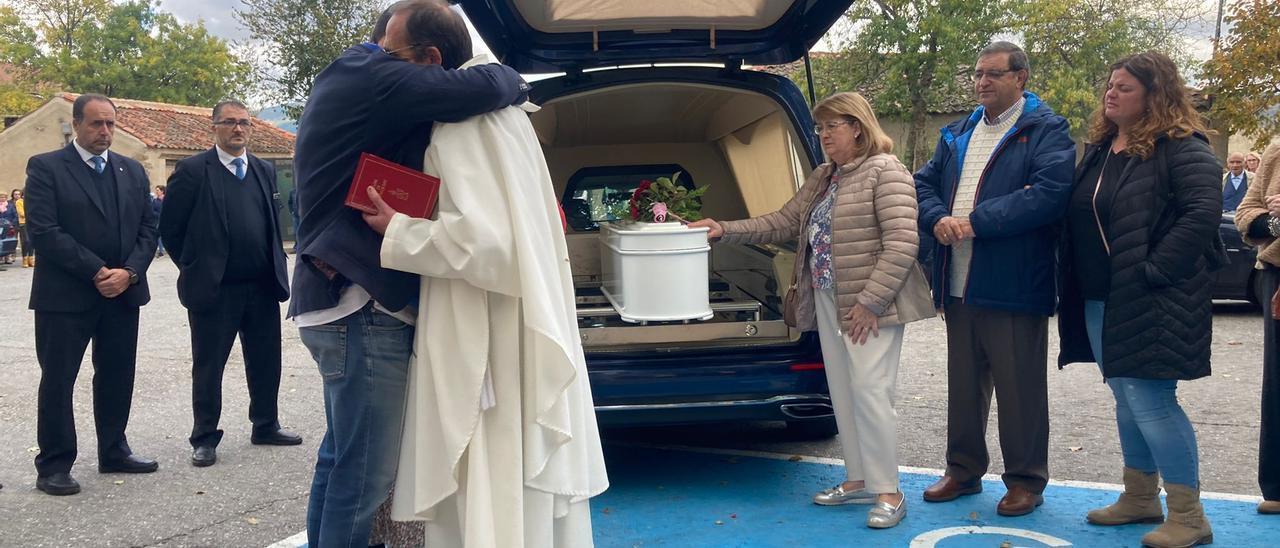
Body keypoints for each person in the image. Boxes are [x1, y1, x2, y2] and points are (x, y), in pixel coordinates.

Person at [289, 1, 529, 545]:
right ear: (430, 59)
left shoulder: (361, 77)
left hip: (337, 302)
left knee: (341, 459)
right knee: (366, 475)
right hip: (361, 306)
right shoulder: (368, 72)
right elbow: (482, 88)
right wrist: (514, 76)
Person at [361, 53, 608, 547]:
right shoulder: (514, 121)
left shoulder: (463, 125)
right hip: (513, 318)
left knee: (491, 465)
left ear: (430, 59)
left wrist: (401, 231)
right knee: (517, 469)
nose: (386, 65)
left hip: (485, 329)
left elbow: (487, 245)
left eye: (394, 53)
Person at [690, 92, 933, 529]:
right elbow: (781, 222)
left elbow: (902, 244)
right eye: (820, 128)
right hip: (827, 295)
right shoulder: (825, 176)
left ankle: (890, 492)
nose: (823, 136)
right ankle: (858, 479)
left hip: (869, 303)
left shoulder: (886, 171)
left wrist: (870, 302)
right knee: (842, 390)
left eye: (831, 127)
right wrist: (722, 229)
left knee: (872, 392)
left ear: (857, 127)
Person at [1058, 52, 1223, 548]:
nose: (1111, 93)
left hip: (1152, 298)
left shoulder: (1183, 147)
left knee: (1152, 402)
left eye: (1124, 87)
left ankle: (1189, 515)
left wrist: (1154, 272)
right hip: (1101, 298)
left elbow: (1201, 216)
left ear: (1156, 94)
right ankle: (1140, 497)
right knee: (1127, 401)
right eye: (1110, 85)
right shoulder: (1105, 146)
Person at [914, 41, 1075, 516]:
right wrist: (938, 215)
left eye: (993, 74)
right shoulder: (959, 132)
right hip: (958, 281)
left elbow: (1049, 194)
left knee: (1019, 388)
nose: (981, 82)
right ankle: (963, 471)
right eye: (978, 74)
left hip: (1014, 283)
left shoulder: (1046, 130)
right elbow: (922, 184)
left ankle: (1026, 480)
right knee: (964, 386)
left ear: (1020, 78)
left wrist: (975, 221)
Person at [24, 93, 160, 496]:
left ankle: (114, 449)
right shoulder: (47, 168)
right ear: (77, 124)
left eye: (111, 124)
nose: (105, 131)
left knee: (118, 374)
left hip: (122, 293)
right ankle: (54, 464)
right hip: (65, 298)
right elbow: (44, 231)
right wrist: (97, 271)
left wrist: (130, 273)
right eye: (97, 124)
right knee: (59, 380)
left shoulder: (132, 171)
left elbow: (149, 229)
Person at [160, 99, 299, 469]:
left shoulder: (262, 170)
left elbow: (271, 222)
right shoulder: (193, 171)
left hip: (261, 285)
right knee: (209, 365)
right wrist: (194, 266)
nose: (238, 129)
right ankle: (204, 437)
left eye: (244, 123)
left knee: (267, 361)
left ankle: (266, 424)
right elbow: (171, 229)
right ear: (214, 128)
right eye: (230, 123)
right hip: (216, 288)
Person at [1233, 143, 1280, 516]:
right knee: (1278, 384)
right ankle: (1278, 485)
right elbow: (1247, 213)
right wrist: (1276, 222)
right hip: (1277, 275)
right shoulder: (1277, 149)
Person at [13, 189, 33, 268]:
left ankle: (30, 259)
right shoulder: (19, 202)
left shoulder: (32, 201)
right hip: (23, 223)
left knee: (31, 241)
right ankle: (24, 258)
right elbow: (21, 213)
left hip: (31, 223)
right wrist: (32, 215)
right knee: (26, 241)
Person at [0, 194, 14, 265]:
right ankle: (1, 258)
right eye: (1, 197)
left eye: (4, 197)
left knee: (8, 240)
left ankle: (8, 257)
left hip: (8, 226)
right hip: (0, 226)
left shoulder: (10, 206)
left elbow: (14, 215)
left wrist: (12, 223)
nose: (2, 198)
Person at [152, 186, 165, 257]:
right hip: (158, 220)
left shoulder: (167, 199)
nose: (156, 192)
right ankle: (161, 251)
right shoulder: (155, 201)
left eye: (158, 190)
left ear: (162, 191)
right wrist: (158, 214)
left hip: (167, 220)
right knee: (158, 235)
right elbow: (152, 210)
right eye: (156, 190)